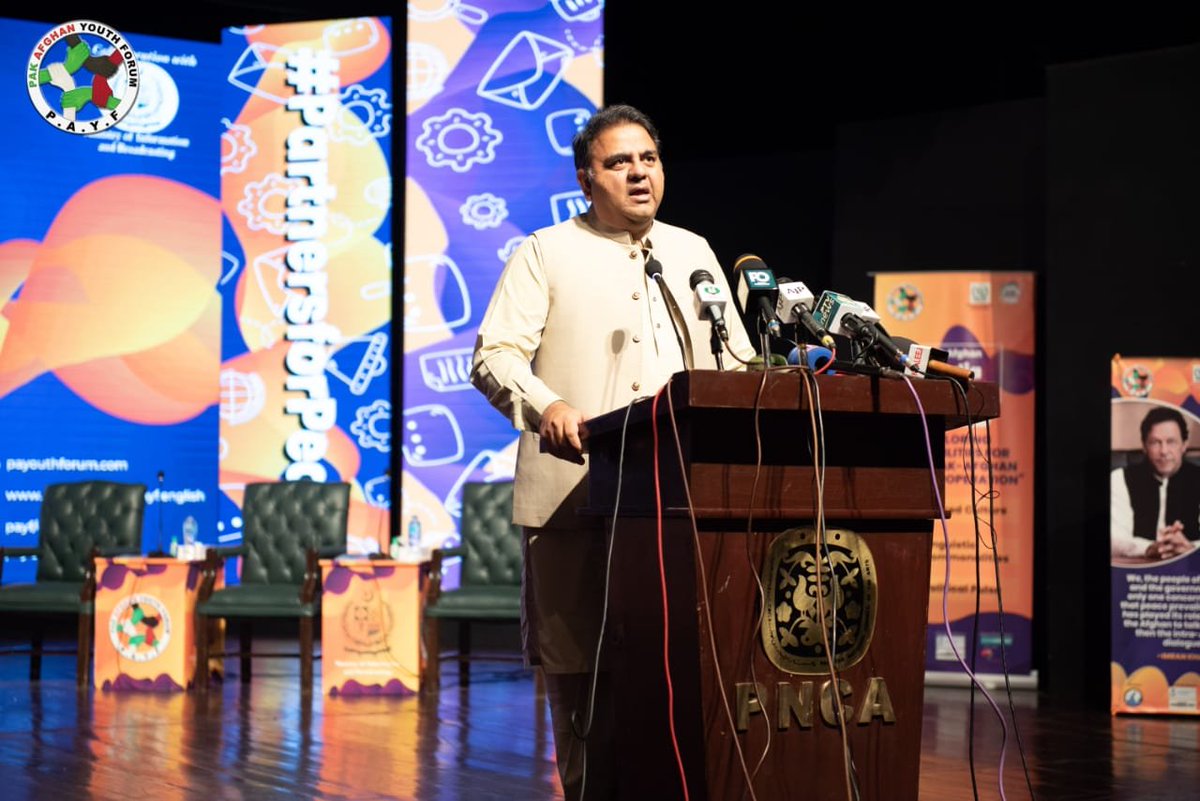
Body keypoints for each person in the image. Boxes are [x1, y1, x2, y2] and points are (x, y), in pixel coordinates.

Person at [470, 104, 755, 799]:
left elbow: (737, 360)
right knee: (581, 679)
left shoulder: (692, 251)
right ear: (585, 178)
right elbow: (493, 355)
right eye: (618, 161)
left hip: (679, 504)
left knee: (678, 672)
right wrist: (550, 406)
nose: (638, 173)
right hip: (577, 498)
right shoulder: (545, 250)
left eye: (648, 159)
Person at [1111, 405, 1200, 559]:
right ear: (1144, 446)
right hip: (1138, 574)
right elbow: (1114, 538)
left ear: (1184, 445)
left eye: (1171, 442)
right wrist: (1149, 548)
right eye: (1155, 442)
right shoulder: (1119, 479)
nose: (1164, 451)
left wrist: (1190, 548)